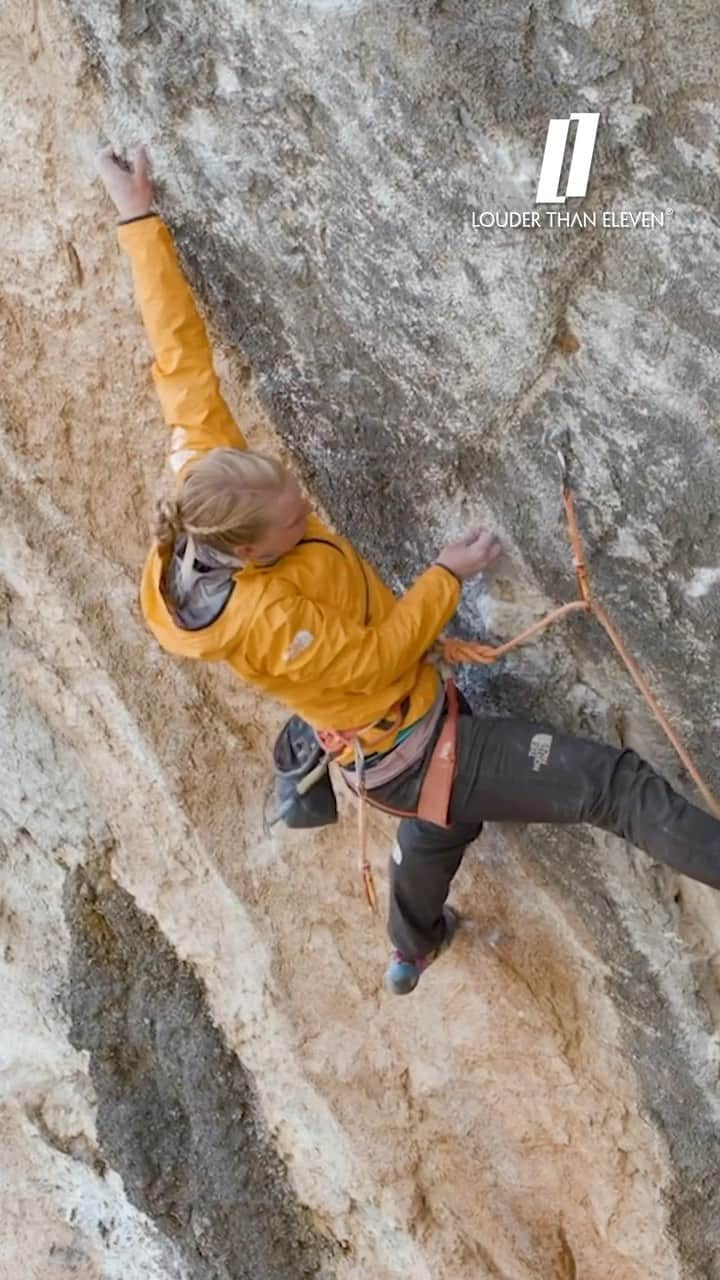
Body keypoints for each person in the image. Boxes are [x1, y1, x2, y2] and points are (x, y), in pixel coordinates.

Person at [97, 144, 720, 995]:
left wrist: (138, 217)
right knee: (606, 785)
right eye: (294, 522)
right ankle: (396, 906)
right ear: (249, 554)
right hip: (408, 741)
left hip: (383, 751)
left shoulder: (208, 482)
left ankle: (411, 943)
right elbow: (375, 661)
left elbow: (178, 359)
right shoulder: (270, 617)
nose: (308, 514)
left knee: (439, 826)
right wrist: (445, 575)